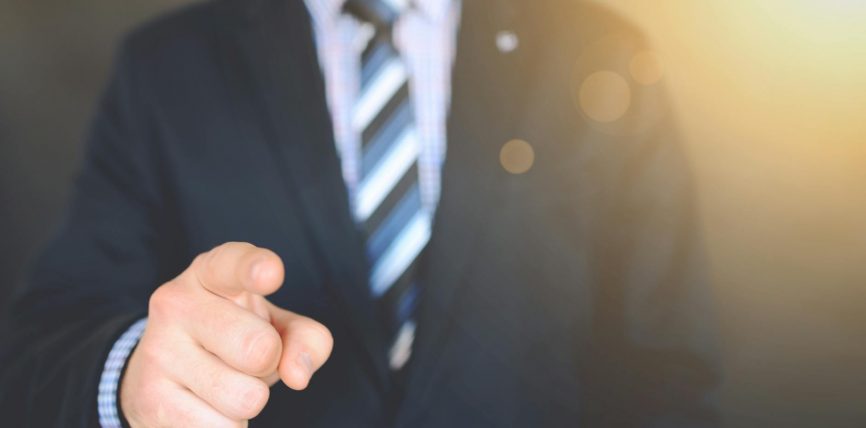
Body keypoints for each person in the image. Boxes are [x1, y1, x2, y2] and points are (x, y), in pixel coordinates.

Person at [0, 0, 720, 426]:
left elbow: (669, 371)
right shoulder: (167, 67)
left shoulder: (600, 53)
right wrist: (135, 379)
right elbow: (42, 346)